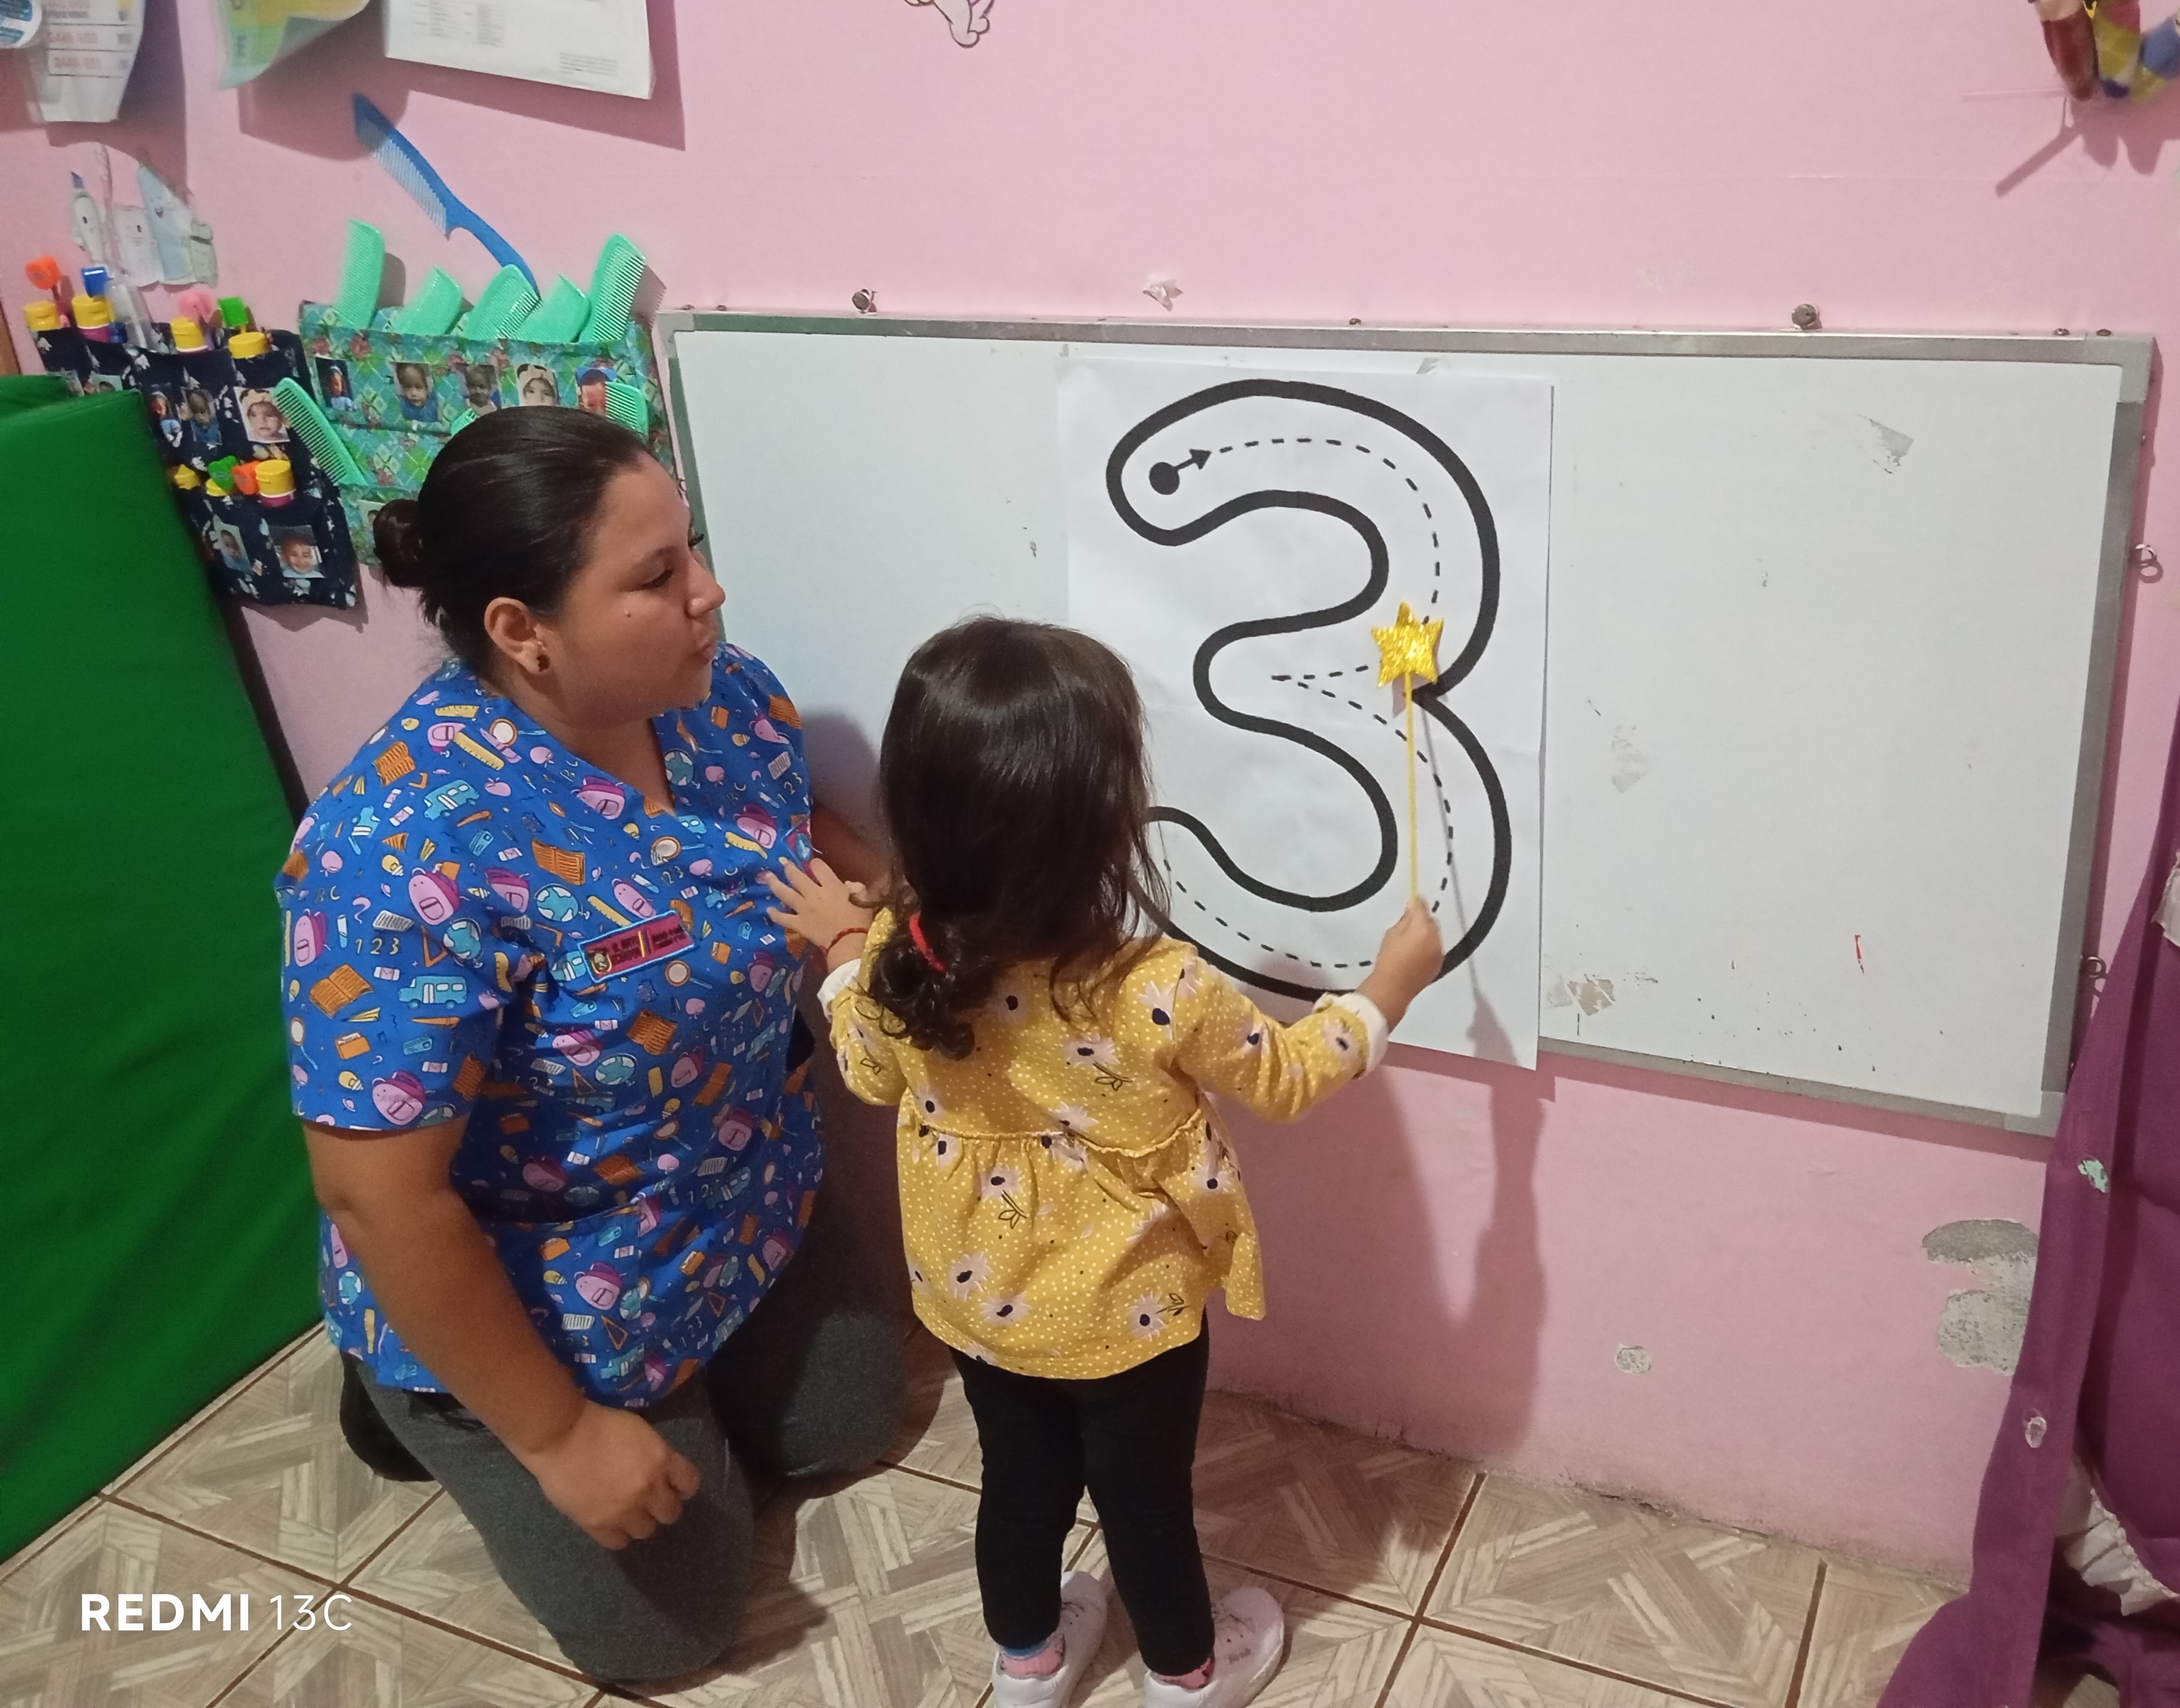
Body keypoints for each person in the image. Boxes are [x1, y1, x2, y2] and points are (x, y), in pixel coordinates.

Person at [276, 408, 904, 1685]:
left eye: (694, 548)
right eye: (658, 574)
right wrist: (561, 1437)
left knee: (845, 1428)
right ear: (524, 630)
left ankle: (690, 1396)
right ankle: (421, 1398)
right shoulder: (400, 850)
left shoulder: (716, 689)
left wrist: (890, 901)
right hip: (555, 1274)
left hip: (741, 1183)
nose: (707, 592)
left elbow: (794, 820)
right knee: (667, 1634)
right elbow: (376, 1190)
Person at [766, 618, 1445, 1708]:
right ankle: (1186, 1675)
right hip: (1133, 1316)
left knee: (1017, 1488)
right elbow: (1284, 1076)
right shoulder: (1156, 987)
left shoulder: (902, 955)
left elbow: (867, 1072)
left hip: (982, 1303)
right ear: (1103, 825)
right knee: (1144, 1505)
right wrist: (1385, 992)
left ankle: (1028, 1665)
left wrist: (846, 948)